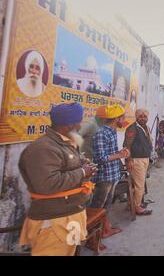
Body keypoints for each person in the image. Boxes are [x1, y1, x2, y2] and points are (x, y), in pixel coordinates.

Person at [18, 103, 98, 256]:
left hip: (70, 215)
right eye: (79, 122)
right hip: (54, 221)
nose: (81, 126)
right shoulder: (43, 148)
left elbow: (66, 168)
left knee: (69, 251)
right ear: (69, 124)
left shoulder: (65, 143)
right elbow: (47, 184)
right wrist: (82, 171)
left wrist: (84, 168)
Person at [91, 104, 130, 239]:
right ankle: (92, 238)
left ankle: (104, 229)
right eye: (122, 117)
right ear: (116, 119)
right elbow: (101, 158)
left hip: (113, 174)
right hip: (104, 177)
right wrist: (119, 155)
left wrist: (120, 152)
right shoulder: (101, 134)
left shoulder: (112, 132)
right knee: (97, 207)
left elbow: (110, 154)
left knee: (106, 206)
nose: (124, 119)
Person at [123, 109, 153, 216]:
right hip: (136, 160)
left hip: (144, 159)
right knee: (139, 185)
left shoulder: (146, 128)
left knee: (139, 183)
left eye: (145, 116)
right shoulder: (132, 128)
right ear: (136, 116)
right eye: (140, 116)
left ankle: (132, 204)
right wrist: (128, 160)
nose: (143, 118)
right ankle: (137, 207)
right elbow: (127, 146)